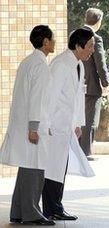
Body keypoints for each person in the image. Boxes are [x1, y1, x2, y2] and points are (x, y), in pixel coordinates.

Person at [0, 25, 55, 226]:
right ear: (46, 42)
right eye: (52, 38)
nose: (54, 41)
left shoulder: (28, 61)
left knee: (27, 167)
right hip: (33, 124)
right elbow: (36, 99)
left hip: (26, 122)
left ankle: (17, 211)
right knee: (35, 168)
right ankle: (31, 213)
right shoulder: (39, 65)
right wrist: (34, 127)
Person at [42, 28, 95, 221]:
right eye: (90, 46)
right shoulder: (61, 64)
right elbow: (50, 96)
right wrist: (46, 123)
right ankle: (51, 208)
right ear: (79, 45)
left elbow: (78, 96)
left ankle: (56, 206)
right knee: (53, 167)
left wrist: (78, 123)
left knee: (60, 166)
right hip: (55, 125)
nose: (92, 50)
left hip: (66, 125)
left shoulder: (78, 64)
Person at [80, 8, 109, 160]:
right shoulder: (95, 38)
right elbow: (100, 63)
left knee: (79, 117)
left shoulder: (75, 35)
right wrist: (105, 83)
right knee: (90, 119)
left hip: (77, 83)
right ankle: (86, 152)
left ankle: (78, 151)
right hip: (92, 85)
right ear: (98, 21)